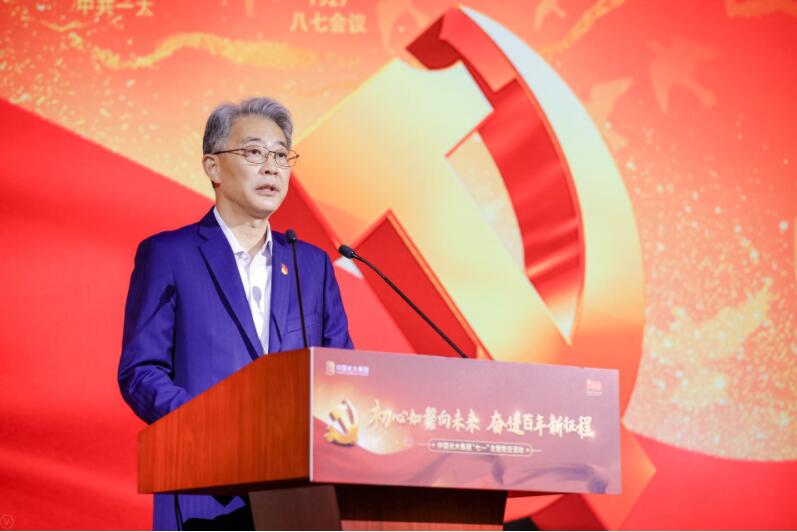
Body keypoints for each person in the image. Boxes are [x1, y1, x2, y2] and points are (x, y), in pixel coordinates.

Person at [118, 97, 353, 530]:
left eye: (281, 155)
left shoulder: (312, 265)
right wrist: (214, 427)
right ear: (213, 167)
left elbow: (343, 374)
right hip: (205, 495)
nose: (272, 168)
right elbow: (141, 372)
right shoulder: (170, 254)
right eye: (254, 152)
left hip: (302, 501)